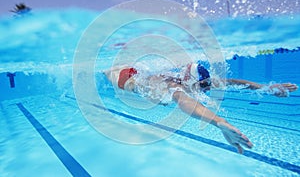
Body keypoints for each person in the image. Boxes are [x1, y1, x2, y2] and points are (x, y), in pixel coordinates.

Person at [104, 62, 298, 154]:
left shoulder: (183, 80)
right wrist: (219, 121)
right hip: (124, 78)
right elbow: (184, 101)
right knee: (106, 71)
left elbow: (231, 82)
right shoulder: (174, 85)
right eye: (201, 86)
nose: (203, 89)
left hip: (134, 73)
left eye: (204, 86)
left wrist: (265, 87)